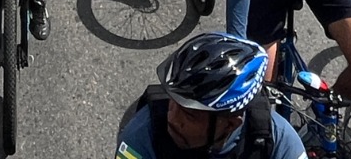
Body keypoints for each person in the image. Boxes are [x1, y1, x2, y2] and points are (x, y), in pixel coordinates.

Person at [118, 32, 307, 159]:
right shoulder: (140, 136)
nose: (173, 118)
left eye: (190, 115)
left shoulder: (279, 141)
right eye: (172, 101)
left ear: (231, 124)